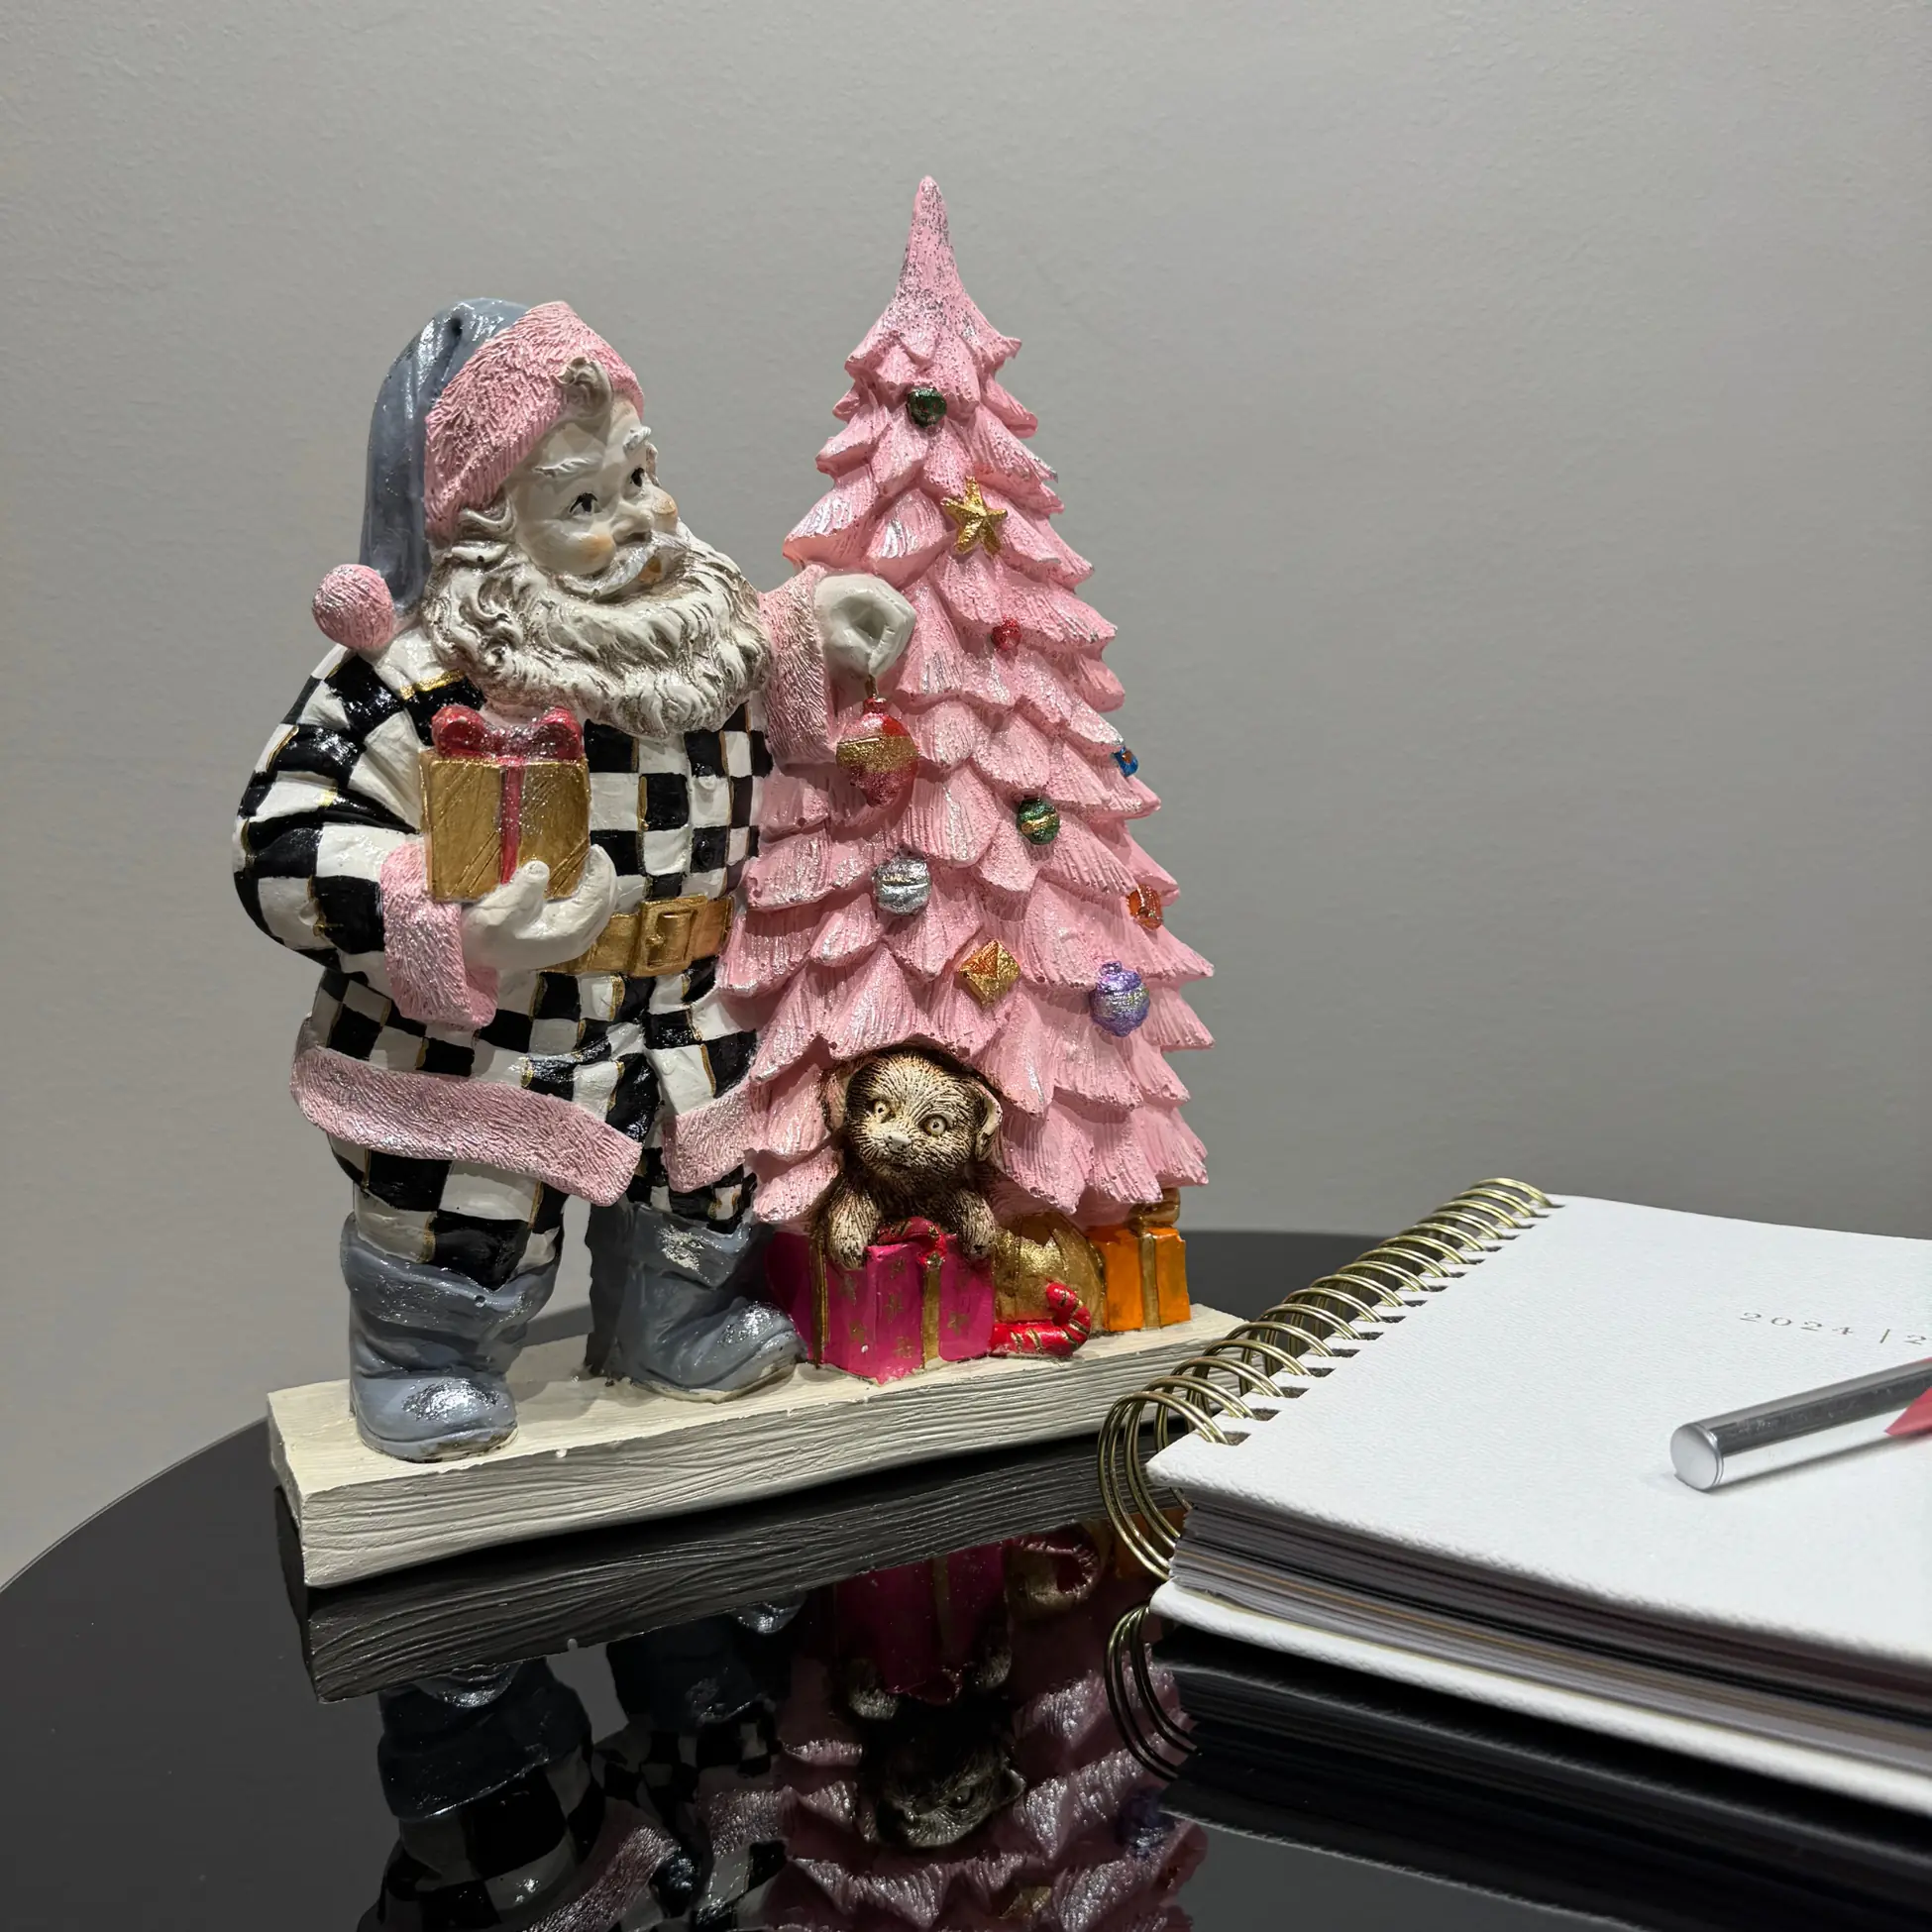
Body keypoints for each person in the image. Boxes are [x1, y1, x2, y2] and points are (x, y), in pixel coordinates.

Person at [236, 300, 912, 1458]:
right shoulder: (407, 675)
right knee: (469, 1209)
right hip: (497, 1035)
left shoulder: (702, 636)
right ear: (486, 533)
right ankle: (425, 1353)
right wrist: (442, 916)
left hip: (685, 1007)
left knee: (699, 1181)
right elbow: (281, 838)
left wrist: (816, 630)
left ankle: (672, 1323)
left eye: (639, 475)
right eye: (586, 504)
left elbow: (760, 681)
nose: (641, 518)